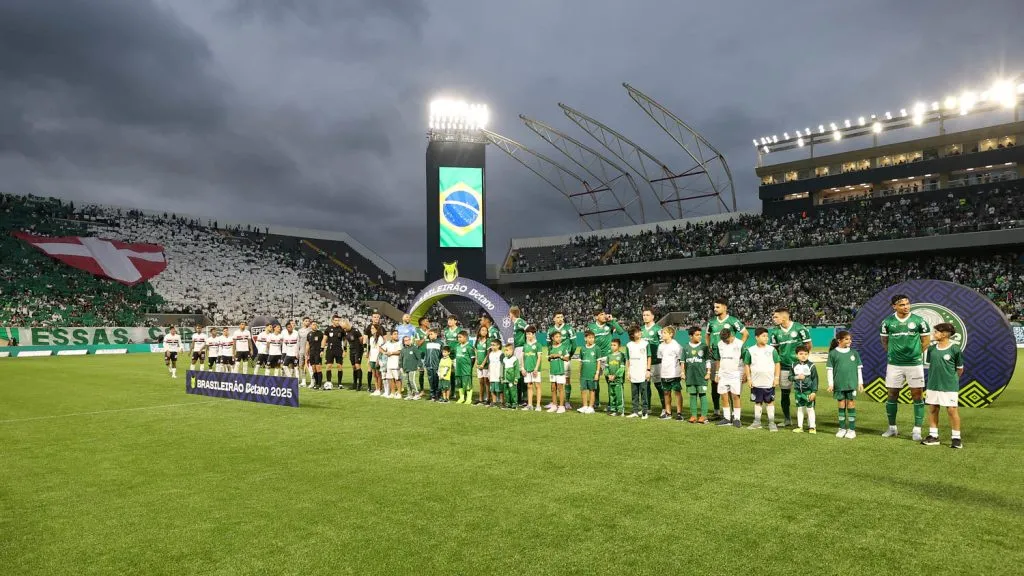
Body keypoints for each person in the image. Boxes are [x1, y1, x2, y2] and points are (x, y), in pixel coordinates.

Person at [880, 294, 931, 441]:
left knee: (917, 395)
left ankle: (917, 430)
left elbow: (926, 341)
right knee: (892, 395)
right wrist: (894, 354)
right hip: (894, 365)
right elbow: (884, 341)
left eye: (907, 304)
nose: (906, 307)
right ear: (894, 306)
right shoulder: (887, 322)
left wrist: (915, 354)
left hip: (914, 364)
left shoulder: (919, 321)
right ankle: (892, 428)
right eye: (902, 305)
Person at [921, 323, 964, 448]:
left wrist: (952, 380)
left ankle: (956, 438)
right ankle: (933, 436)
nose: (934, 334)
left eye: (936, 332)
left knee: (952, 410)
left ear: (944, 334)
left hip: (949, 386)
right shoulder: (931, 349)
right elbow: (933, 365)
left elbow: (960, 369)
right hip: (933, 384)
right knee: (933, 409)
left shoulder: (955, 349)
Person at [706, 298, 748, 420]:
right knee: (715, 385)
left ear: (725, 307)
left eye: (717, 307)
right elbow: (707, 335)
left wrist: (738, 347)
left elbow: (745, 334)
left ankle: (734, 414)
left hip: (730, 359)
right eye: (714, 307)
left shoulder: (733, 320)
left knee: (732, 389)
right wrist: (709, 346)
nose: (715, 309)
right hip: (716, 358)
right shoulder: (711, 322)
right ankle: (717, 412)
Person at [769, 307, 811, 427]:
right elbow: (774, 350)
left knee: (805, 393)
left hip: (800, 367)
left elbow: (808, 345)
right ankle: (787, 419)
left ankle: (809, 419)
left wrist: (803, 362)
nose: (773, 319)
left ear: (784, 317)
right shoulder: (775, 332)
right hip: (784, 367)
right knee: (784, 394)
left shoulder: (799, 328)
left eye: (776, 316)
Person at [827, 330, 864, 439]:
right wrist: (831, 384)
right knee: (841, 405)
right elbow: (829, 370)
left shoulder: (854, 353)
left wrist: (860, 383)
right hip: (839, 384)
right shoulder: (833, 353)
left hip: (851, 384)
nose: (850, 341)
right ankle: (842, 428)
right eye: (847, 339)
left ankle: (851, 430)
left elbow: (859, 369)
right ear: (839, 340)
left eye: (850, 339)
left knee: (851, 404)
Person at [743, 327, 781, 431]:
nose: (766, 338)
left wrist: (776, 378)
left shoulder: (772, 350)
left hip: (769, 382)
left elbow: (777, 364)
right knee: (757, 402)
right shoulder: (751, 350)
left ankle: (772, 423)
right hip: (756, 382)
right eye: (763, 336)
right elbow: (747, 364)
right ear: (757, 337)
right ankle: (757, 422)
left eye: (767, 336)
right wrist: (749, 379)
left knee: (770, 402)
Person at [587, 309, 624, 413]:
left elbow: (621, 332)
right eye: (601, 314)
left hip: (608, 357)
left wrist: (612, 321)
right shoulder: (591, 327)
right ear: (596, 317)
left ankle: (611, 404)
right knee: (595, 380)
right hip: (596, 357)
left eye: (605, 314)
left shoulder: (610, 324)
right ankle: (596, 402)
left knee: (611, 381)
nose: (604, 316)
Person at [715, 328, 744, 428]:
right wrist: (717, 373)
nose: (725, 342)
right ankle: (727, 418)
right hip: (723, 373)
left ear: (731, 335)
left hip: (735, 373)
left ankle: (737, 418)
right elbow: (718, 359)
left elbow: (745, 359)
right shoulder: (720, 344)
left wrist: (744, 373)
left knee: (736, 396)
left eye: (726, 340)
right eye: (723, 340)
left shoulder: (740, 344)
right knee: (723, 396)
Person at [547, 312, 576, 410]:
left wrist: (569, 356)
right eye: (558, 317)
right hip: (554, 360)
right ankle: (554, 403)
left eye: (561, 317)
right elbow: (548, 345)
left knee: (566, 380)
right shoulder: (550, 330)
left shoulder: (569, 328)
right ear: (554, 319)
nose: (560, 319)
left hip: (565, 358)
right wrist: (550, 355)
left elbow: (574, 344)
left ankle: (566, 401)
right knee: (554, 383)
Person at [683, 327, 711, 424]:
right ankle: (693, 415)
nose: (700, 336)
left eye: (700, 334)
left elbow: (708, 361)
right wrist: (682, 373)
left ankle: (703, 415)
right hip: (690, 376)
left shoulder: (704, 346)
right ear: (691, 336)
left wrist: (708, 373)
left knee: (702, 395)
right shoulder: (686, 347)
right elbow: (682, 362)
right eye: (697, 335)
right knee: (692, 395)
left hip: (702, 375)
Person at [639, 309, 663, 417]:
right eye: (644, 315)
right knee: (645, 386)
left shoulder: (658, 329)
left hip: (656, 362)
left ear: (653, 316)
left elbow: (663, 344)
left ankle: (664, 408)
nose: (645, 317)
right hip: (644, 363)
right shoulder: (641, 329)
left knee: (659, 386)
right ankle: (647, 408)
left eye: (647, 315)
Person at [789, 346, 819, 433]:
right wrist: (797, 377)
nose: (803, 356)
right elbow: (790, 377)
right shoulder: (793, 365)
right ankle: (800, 427)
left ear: (808, 355)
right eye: (801, 354)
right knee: (800, 408)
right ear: (797, 355)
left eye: (806, 354)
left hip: (808, 391)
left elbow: (815, 379)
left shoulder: (811, 366)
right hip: (798, 392)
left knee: (810, 409)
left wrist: (814, 392)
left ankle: (812, 427)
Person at [657, 326, 684, 420]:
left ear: (671, 334)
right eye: (662, 333)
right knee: (666, 393)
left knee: (677, 392)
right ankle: (668, 413)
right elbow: (660, 359)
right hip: (664, 373)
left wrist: (682, 372)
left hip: (675, 373)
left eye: (665, 333)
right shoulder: (661, 346)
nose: (662, 334)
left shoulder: (676, 346)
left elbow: (681, 360)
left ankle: (679, 413)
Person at [625, 326, 651, 419]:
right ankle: (635, 411)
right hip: (633, 372)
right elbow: (628, 359)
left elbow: (649, 357)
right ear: (632, 335)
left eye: (640, 331)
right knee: (634, 394)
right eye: (637, 332)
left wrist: (648, 370)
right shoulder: (629, 345)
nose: (639, 333)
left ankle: (644, 412)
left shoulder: (645, 343)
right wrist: (628, 372)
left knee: (644, 393)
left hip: (643, 372)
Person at [578, 331, 602, 414]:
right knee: (583, 390)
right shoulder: (582, 348)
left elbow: (598, 362)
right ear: (585, 338)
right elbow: (581, 362)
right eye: (589, 338)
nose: (591, 339)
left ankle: (591, 407)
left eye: (593, 338)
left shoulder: (597, 348)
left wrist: (597, 373)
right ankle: (585, 406)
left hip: (592, 373)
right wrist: (579, 372)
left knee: (592, 390)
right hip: (583, 374)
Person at [547, 331, 571, 414]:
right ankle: (554, 405)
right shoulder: (550, 347)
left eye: (560, 337)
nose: (559, 338)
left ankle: (561, 406)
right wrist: (550, 357)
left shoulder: (563, 347)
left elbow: (567, 358)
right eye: (557, 337)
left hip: (560, 371)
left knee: (560, 388)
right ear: (552, 338)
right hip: (552, 370)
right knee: (553, 388)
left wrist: (559, 356)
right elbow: (548, 358)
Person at [509, 306, 529, 406]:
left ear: (512, 314)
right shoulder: (515, 324)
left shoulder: (519, 321)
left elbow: (529, 329)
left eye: (509, 314)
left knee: (521, 371)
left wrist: (528, 343)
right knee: (518, 372)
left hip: (521, 348)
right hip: (517, 348)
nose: (509, 316)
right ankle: (519, 397)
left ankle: (524, 398)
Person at [522, 326, 543, 411]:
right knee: (529, 386)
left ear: (534, 334)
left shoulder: (538, 345)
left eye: (529, 334)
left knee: (537, 386)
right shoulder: (525, 345)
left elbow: (539, 358)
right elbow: (522, 357)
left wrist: (536, 369)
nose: (528, 336)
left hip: (535, 370)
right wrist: (523, 368)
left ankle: (538, 405)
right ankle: (530, 405)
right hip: (527, 369)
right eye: (527, 334)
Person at [605, 338, 627, 417]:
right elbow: (606, 367)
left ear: (619, 346)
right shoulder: (609, 356)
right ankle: (613, 410)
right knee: (612, 395)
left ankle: (621, 410)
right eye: (611, 345)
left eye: (614, 345)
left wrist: (615, 375)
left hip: (618, 380)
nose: (612, 347)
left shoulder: (622, 355)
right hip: (610, 379)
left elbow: (622, 368)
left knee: (619, 395)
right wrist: (608, 375)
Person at [323, 316, 345, 389]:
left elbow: (344, 340)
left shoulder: (341, 329)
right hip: (330, 350)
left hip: (339, 350)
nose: (337, 321)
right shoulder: (328, 329)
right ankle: (329, 382)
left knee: (339, 366)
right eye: (336, 320)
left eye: (338, 320)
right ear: (332, 321)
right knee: (329, 366)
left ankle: (340, 384)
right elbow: (324, 339)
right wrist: (322, 349)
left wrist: (345, 350)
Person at [344, 320, 365, 390]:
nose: (344, 329)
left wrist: (361, 348)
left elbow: (361, 339)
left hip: (358, 350)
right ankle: (355, 384)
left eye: (345, 328)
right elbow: (345, 341)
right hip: (351, 350)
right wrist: (345, 350)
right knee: (353, 367)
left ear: (347, 325)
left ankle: (360, 384)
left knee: (357, 365)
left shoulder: (355, 330)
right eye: (343, 328)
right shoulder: (346, 332)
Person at [454, 331, 475, 404]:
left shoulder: (469, 347)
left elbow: (473, 358)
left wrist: (470, 367)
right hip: (458, 369)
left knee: (468, 384)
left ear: (465, 337)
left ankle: (469, 399)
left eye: (460, 337)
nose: (459, 339)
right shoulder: (457, 346)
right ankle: (461, 398)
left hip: (466, 369)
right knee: (459, 384)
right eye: (458, 337)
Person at [423, 328, 443, 401]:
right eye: (429, 334)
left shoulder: (440, 343)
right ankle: (432, 395)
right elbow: (426, 354)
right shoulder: (427, 343)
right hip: (429, 365)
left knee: (437, 380)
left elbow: (442, 355)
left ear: (436, 334)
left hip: (436, 365)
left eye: (431, 334)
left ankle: (438, 394)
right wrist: (425, 363)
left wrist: (440, 364)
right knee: (430, 380)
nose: (430, 336)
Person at [367, 324, 386, 396]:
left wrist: (378, 359)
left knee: (378, 374)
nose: (371, 330)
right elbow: (371, 349)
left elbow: (380, 350)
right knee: (374, 375)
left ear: (376, 329)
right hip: (372, 358)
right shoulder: (371, 338)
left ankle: (379, 389)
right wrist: (369, 359)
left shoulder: (380, 338)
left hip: (377, 359)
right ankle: (376, 389)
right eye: (371, 328)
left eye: (372, 328)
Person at [400, 335, 421, 400]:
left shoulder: (414, 348)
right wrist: (401, 367)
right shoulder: (403, 350)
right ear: (403, 342)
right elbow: (400, 359)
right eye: (406, 340)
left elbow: (419, 357)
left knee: (412, 381)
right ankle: (409, 394)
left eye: (408, 340)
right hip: (405, 368)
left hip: (412, 367)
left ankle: (417, 394)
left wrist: (419, 365)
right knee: (407, 382)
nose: (407, 341)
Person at [474, 326, 492, 406]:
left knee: (486, 382)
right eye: (482, 330)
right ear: (479, 331)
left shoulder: (488, 341)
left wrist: (483, 364)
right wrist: (477, 362)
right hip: (479, 365)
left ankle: (488, 399)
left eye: (486, 330)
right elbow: (476, 352)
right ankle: (480, 399)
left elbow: (488, 354)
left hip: (486, 365)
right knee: (481, 382)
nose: (484, 332)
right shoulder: (477, 341)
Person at [384, 330, 403, 399]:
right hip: (389, 363)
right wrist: (385, 353)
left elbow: (400, 352)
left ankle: (399, 393)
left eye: (397, 334)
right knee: (390, 379)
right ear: (391, 336)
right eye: (395, 334)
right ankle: (392, 392)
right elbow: (381, 348)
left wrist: (391, 353)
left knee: (397, 379)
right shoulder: (388, 343)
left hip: (396, 363)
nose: (396, 335)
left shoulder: (400, 343)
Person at [500, 342, 521, 409]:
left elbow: (517, 369)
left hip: (512, 379)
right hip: (505, 379)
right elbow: (502, 369)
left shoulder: (515, 359)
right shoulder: (504, 359)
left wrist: (516, 378)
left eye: (507, 350)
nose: (505, 352)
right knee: (506, 392)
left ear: (512, 351)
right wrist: (501, 377)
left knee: (513, 392)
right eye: (504, 350)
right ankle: (508, 403)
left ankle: (514, 403)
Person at [415, 317, 432, 396]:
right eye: (426, 321)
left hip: (429, 354)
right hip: (421, 355)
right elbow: (418, 343)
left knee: (430, 372)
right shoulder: (417, 331)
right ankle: (422, 390)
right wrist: (426, 336)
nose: (428, 322)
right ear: (422, 323)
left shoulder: (430, 331)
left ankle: (432, 390)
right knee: (421, 373)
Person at [306, 321, 324, 389]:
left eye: (316, 324)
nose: (315, 326)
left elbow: (323, 342)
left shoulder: (320, 333)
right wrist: (306, 353)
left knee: (318, 368)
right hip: (312, 353)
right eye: (313, 324)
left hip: (318, 353)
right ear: (310, 326)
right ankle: (316, 384)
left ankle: (319, 384)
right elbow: (308, 344)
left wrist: (322, 350)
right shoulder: (309, 334)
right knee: (313, 369)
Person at [487, 339, 504, 408]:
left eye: (494, 345)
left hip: (498, 375)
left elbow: (503, 364)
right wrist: (488, 373)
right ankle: (494, 402)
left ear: (498, 346)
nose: (492, 346)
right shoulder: (490, 354)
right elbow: (489, 364)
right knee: (492, 389)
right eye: (491, 345)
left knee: (500, 389)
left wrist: (502, 374)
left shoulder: (501, 354)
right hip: (492, 374)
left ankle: (502, 402)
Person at [298, 317, 312, 387]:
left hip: (309, 351)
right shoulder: (300, 330)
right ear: (303, 322)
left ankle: (313, 381)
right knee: (301, 366)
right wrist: (297, 351)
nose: (307, 322)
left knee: (310, 366)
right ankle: (303, 381)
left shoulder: (311, 330)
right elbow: (298, 341)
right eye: (306, 321)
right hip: (301, 351)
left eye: (308, 321)